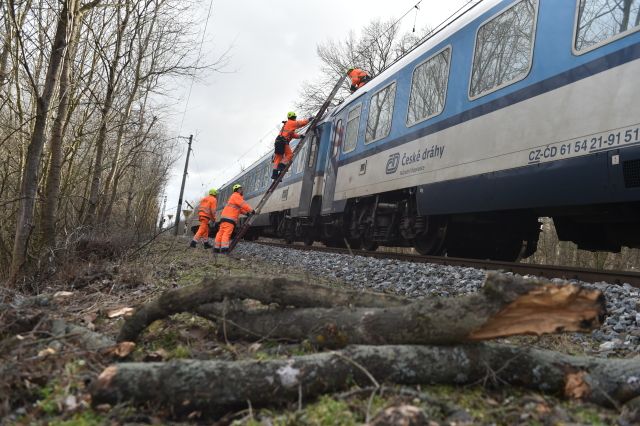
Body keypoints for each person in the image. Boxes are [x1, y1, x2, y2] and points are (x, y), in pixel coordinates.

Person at [214, 183, 254, 254]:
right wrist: (251, 210)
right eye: (241, 189)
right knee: (226, 233)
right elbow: (243, 205)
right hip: (230, 219)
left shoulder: (233, 197)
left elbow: (239, 209)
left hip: (224, 218)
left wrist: (246, 213)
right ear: (238, 190)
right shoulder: (236, 196)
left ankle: (216, 248)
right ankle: (224, 249)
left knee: (220, 233)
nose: (242, 190)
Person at [272, 112, 312, 179]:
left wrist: (299, 136)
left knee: (278, 158)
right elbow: (300, 123)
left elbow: (292, 134)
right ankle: (281, 165)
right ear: (294, 117)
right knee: (289, 155)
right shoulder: (291, 122)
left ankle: (274, 174)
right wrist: (309, 120)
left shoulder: (286, 125)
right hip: (283, 141)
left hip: (278, 141)